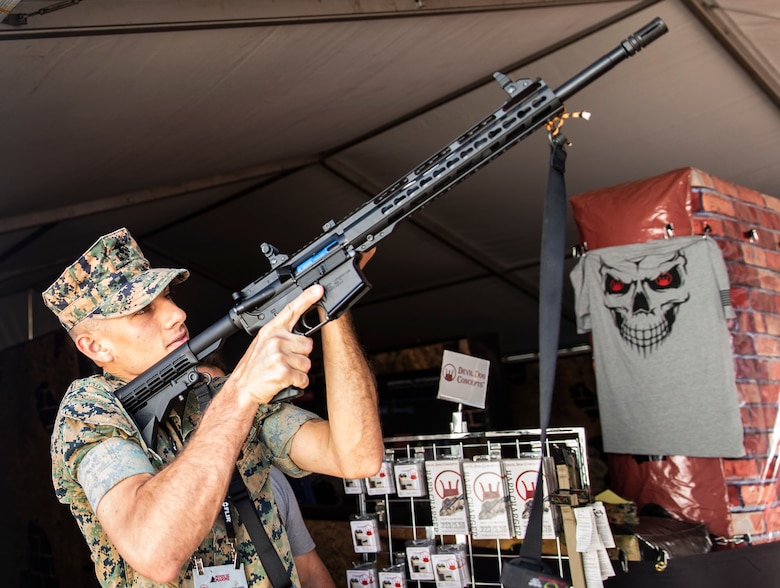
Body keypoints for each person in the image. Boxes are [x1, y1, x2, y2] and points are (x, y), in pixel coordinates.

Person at [43, 227, 383, 587]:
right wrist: (241, 393)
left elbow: (356, 457)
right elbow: (154, 551)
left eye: (169, 297)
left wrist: (332, 304)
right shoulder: (90, 411)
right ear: (96, 348)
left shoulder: (214, 394)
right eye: (144, 309)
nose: (177, 313)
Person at [199, 357, 336, 588]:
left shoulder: (271, 478)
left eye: (221, 396)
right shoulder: (165, 491)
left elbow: (310, 570)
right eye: (199, 400)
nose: (211, 410)